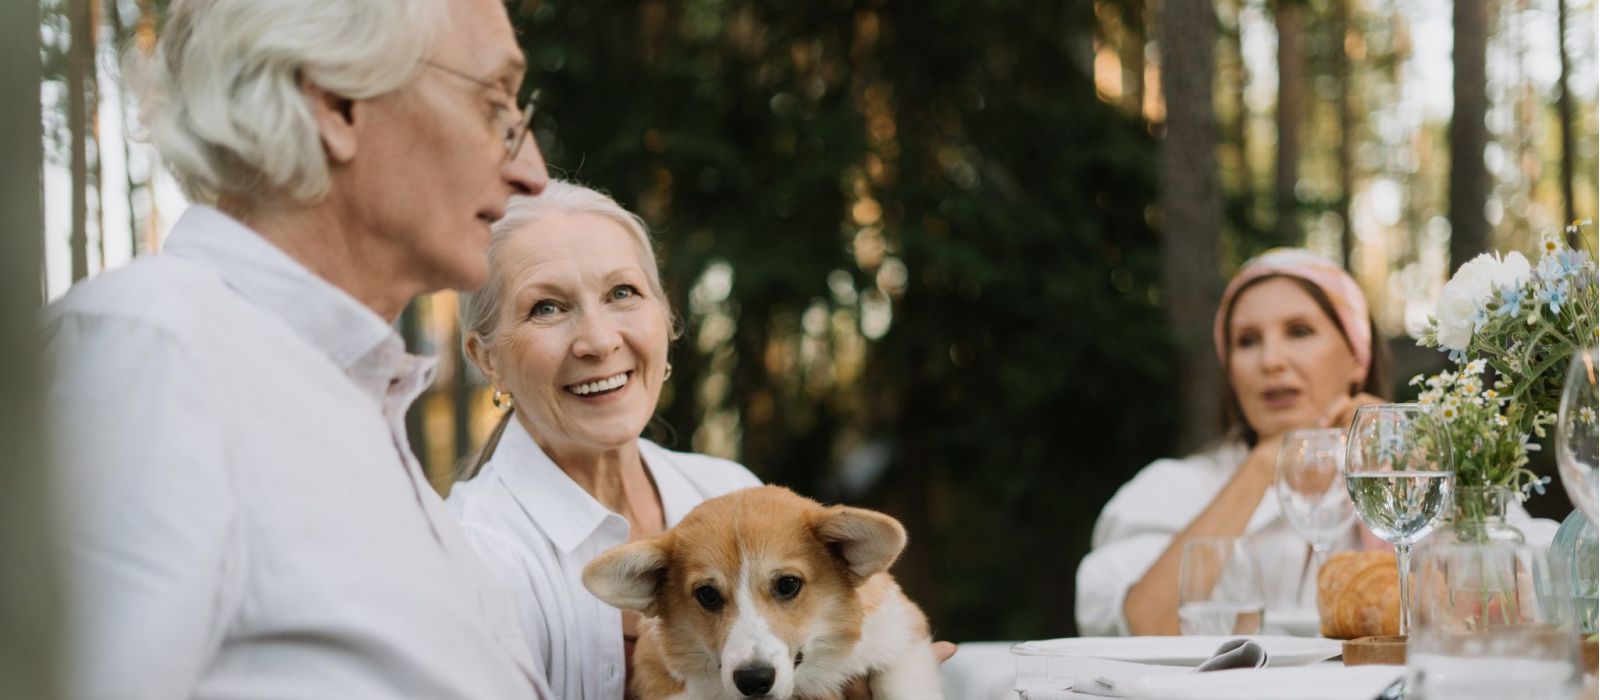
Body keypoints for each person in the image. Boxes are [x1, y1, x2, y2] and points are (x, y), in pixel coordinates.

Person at [41, 0, 554, 696]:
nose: (534, 171)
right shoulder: (150, 354)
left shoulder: (363, 420)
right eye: (497, 103)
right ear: (334, 103)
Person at [1076, 249, 1557, 637]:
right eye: (1247, 341)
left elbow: (1543, 589)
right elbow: (1142, 622)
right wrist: (1266, 464)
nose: (1271, 360)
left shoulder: (1419, 470)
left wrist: (1407, 456)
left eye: (1299, 331)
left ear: (1355, 356)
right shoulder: (1177, 486)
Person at [444, 181, 763, 699]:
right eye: (546, 308)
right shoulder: (471, 555)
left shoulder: (730, 491)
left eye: (622, 293)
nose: (599, 340)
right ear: (486, 359)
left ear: (665, 318)